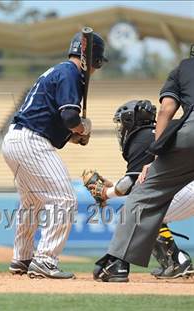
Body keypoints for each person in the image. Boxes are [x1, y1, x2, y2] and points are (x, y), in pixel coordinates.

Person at [2, 31, 108, 279]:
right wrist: (83, 127)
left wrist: (74, 135)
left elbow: (52, 121)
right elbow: (70, 118)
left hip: (16, 140)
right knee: (64, 199)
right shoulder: (71, 74)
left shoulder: (58, 71)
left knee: (32, 203)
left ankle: (22, 258)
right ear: (94, 60)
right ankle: (45, 259)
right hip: (30, 142)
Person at [93, 57, 194, 282]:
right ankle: (174, 261)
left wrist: (106, 194)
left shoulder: (184, 67)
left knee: (142, 206)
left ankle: (119, 264)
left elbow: (167, 107)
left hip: (186, 174)